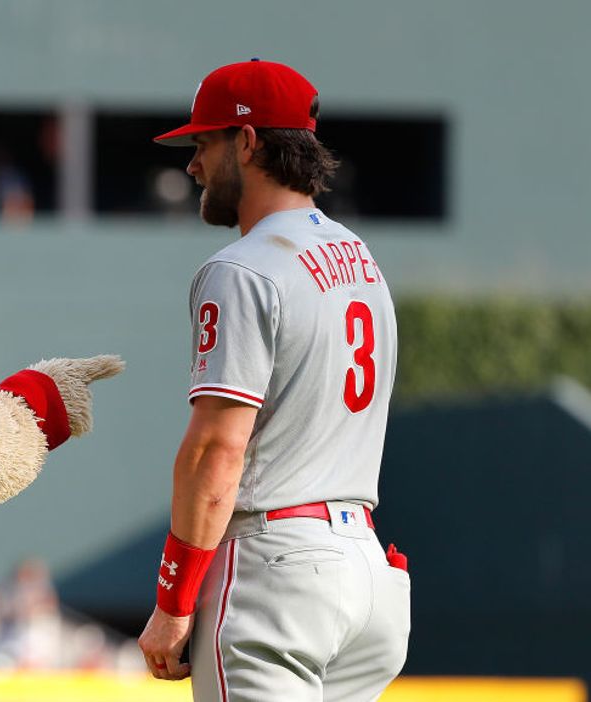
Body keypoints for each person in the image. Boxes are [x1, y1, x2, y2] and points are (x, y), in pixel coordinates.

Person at [136, 60, 410, 701]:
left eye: (204, 143)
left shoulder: (243, 267)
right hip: (369, 574)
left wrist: (174, 602)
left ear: (249, 141)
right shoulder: (363, 260)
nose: (193, 165)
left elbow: (215, 451)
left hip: (278, 569)